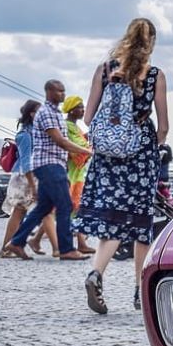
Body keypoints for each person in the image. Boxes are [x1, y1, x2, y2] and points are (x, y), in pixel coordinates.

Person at [77, 17, 169, 314]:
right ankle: (140, 292)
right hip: (140, 154)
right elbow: (164, 126)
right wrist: (152, 143)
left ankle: (96, 272)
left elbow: (88, 118)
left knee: (111, 218)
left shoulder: (104, 71)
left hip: (107, 156)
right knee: (141, 223)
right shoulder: (155, 75)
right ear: (151, 42)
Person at [1, 80, 93, 262]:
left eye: (63, 91)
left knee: (43, 208)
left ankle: (16, 242)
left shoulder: (55, 113)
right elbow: (60, 141)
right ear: (49, 92)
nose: (62, 94)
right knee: (65, 205)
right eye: (59, 91)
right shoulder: (47, 113)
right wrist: (87, 151)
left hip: (52, 164)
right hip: (49, 164)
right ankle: (66, 249)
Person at [0, 100, 41, 258]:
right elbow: (25, 161)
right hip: (23, 177)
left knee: (20, 213)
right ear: (32, 114)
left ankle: (11, 246)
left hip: (27, 176)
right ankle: (7, 247)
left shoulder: (32, 133)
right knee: (18, 212)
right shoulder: (25, 135)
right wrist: (32, 184)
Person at [62, 95, 96, 254]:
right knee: (73, 206)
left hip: (79, 173)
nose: (82, 110)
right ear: (70, 109)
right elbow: (77, 147)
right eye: (79, 107)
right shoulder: (67, 126)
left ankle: (81, 242)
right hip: (72, 173)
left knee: (75, 207)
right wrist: (88, 147)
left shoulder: (76, 128)